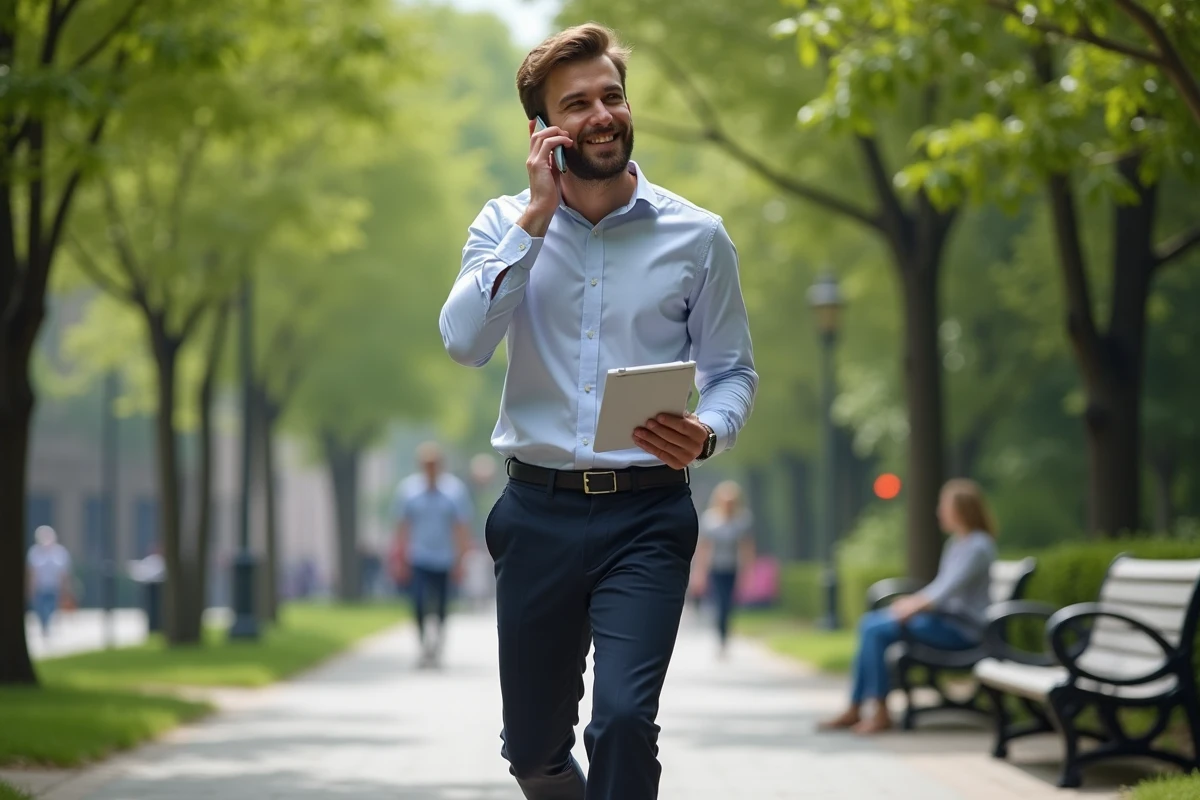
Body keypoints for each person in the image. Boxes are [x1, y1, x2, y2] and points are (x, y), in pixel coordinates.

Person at [438, 23, 757, 800]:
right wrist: (536, 220)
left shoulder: (699, 236)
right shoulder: (503, 225)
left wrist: (707, 431)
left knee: (621, 722)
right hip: (536, 513)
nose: (601, 115)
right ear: (542, 132)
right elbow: (463, 342)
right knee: (534, 754)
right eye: (575, 104)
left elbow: (733, 372)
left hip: (647, 515)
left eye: (610, 96)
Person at [819, 478, 998, 735]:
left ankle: (875, 711)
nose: (939, 511)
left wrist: (914, 606)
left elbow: (947, 590)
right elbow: (940, 586)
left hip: (962, 629)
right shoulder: (958, 543)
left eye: (944, 506)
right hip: (944, 621)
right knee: (870, 625)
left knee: (874, 630)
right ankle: (860, 707)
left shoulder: (978, 546)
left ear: (961, 509)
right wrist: (911, 603)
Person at [391, 442, 474, 668]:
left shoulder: (454, 492)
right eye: (426, 464)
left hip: (445, 557)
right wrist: (398, 557)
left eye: (434, 464)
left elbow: (461, 528)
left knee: (442, 605)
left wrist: (461, 559)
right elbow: (402, 526)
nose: (430, 468)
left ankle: (437, 643)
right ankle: (422, 643)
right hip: (418, 556)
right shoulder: (408, 491)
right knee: (417, 601)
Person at [690, 480, 756, 657]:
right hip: (715, 568)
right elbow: (704, 548)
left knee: (728, 604)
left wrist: (747, 571)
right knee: (719, 603)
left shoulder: (742, 520)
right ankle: (721, 636)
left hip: (733, 567)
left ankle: (725, 635)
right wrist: (699, 573)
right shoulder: (711, 521)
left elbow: (746, 547)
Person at [26, 525, 72, 638]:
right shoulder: (34, 552)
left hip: (54, 588)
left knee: (50, 609)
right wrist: (30, 589)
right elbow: (32, 573)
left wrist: (65, 589)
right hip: (40, 588)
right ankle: (44, 628)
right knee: (40, 610)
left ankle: (46, 628)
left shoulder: (60, 552)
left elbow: (64, 573)